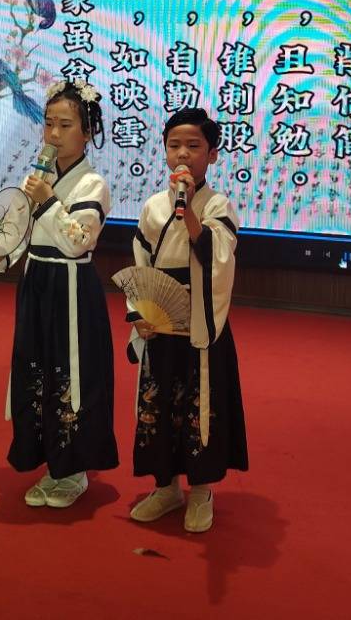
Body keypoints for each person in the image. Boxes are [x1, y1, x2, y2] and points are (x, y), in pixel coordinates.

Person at [0, 79, 118, 508]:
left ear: (88, 132)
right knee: (35, 368)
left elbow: (78, 241)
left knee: (72, 374)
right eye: (49, 123)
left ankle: (73, 469)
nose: (53, 134)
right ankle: (47, 460)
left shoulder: (92, 184)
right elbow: (22, 232)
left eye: (65, 125)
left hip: (72, 287)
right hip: (37, 281)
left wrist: (50, 200)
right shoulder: (37, 177)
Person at [126, 107, 248, 533]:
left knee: (201, 406)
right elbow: (140, 263)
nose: (182, 154)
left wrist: (189, 209)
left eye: (194, 146)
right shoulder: (152, 207)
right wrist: (139, 313)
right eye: (174, 145)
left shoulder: (217, 204)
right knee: (158, 404)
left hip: (200, 323)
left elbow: (218, 257)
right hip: (161, 325)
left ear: (212, 154)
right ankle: (165, 487)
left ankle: (200, 490)